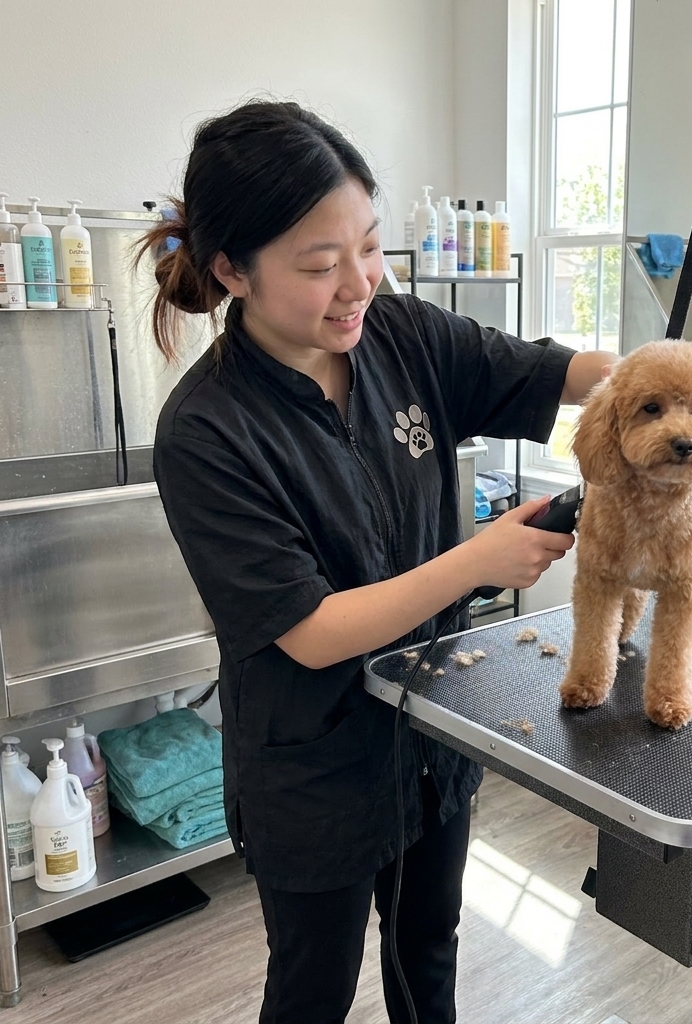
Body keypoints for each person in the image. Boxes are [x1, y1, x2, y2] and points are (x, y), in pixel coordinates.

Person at [137, 100, 615, 1024]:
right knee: (314, 986)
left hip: (433, 732)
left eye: (368, 245)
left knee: (427, 953)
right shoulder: (206, 431)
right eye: (320, 265)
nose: (359, 281)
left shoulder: (402, 334)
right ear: (233, 270)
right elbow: (312, 634)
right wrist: (479, 560)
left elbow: (550, 371)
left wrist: (665, 382)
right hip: (313, 768)